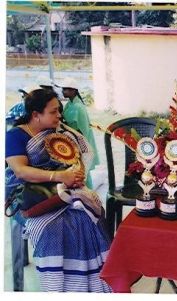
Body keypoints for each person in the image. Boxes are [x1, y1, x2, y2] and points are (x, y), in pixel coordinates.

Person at [5, 89, 111, 292]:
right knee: (56, 227)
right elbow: (20, 172)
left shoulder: (60, 132)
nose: (59, 116)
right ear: (36, 115)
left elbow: (75, 159)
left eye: (59, 111)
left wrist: (75, 174)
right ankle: (59, 285)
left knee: (89, 214)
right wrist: (59, 176)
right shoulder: (15, 136)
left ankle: (88, 282)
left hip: (61, 192)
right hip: (29, 198)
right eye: (53, 112)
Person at [59, 78, 99, 187]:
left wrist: (77, 142)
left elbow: (83, 128)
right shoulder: (69, 104)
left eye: (66, 89)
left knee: (84, 168)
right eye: (63, 89)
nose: (63, 91)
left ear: (74, 91)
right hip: (72, 138)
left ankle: (88, 192)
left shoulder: (78, 107)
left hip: (80, 140)